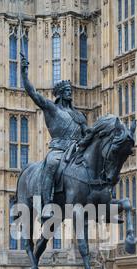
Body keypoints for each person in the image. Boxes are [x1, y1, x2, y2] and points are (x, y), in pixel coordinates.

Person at [20, 52, 87, 220]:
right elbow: (33, 94)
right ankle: (47, 205)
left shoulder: (79, 115)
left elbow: (88, 135)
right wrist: (24, 73)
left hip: (77, 152)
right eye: (66, 91)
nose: (69, 93)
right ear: (60, 94)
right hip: (58, 150)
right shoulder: (52, 109)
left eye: (70, 90)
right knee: (50, 165)